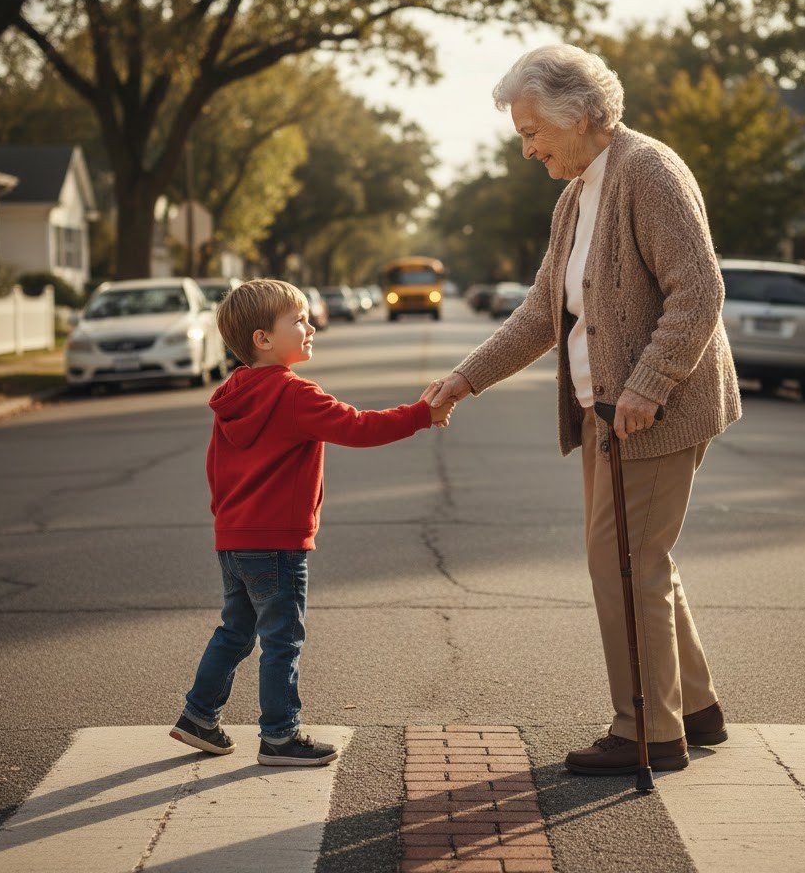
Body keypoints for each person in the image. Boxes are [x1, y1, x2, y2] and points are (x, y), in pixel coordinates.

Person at [425, 45, 741, 775]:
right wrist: (466, 379)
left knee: (624, 564)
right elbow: (543, 312)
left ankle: (647, 731)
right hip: (606, 416)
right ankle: (694, 707)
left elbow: (700, 291)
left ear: (585, 114)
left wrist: (647, 385)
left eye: (534, 132)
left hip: (653, 415)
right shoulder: (577, 196)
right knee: (640, 560)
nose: (528, 148)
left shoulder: (647, 172)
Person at [171, 278, 455, 766]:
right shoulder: (295, 394)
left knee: (236, 632)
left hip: (234, 539)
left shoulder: (232, 394)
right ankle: (279, 735)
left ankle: (200, 716)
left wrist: (227, 522)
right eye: (298, 321)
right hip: (278, 542)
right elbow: (359, 427)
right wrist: (422, 414)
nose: (311, 327)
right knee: (282, 637)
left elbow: (214, 468)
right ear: (263, 339)